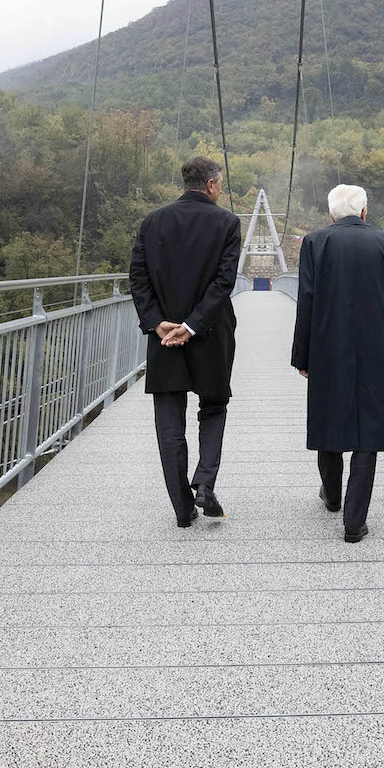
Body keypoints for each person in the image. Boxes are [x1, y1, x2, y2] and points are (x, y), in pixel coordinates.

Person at [290, 184, 384, 543]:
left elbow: (307, 301)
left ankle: (331, 495)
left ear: (331, 215)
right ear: (364, 212)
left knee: (329, 416)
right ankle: (354, 521)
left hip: (328, 346)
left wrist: (302, 355)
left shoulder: (315, 242)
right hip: (377, 348)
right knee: (369, 428)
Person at [129, 157, 242, 527]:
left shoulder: (152, 221)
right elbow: (224, 284)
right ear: (210, 184)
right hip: (210, 334)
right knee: (213, 407)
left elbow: (138, 278)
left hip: (165, 339)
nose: (221, 188)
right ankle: (205, 484)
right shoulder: (227, 223)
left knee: (168, 423)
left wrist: (157, 324)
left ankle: (182, 509)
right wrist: (192, 326)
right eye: (220, 183)